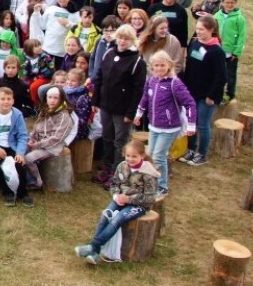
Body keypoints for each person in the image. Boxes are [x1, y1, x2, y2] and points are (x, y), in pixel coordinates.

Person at [74, 139, 158, 264]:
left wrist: (128, 199)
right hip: (121, 200)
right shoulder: (122, 166)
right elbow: (114, 184)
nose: (130, 159)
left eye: (134, 156)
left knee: (117, 220)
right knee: (105, 215)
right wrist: (116, 196)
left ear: (142, 155)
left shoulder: (148, 173)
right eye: (128, 155)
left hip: (140, 205)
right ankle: (95, 253)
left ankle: (93, 247)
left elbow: (150, 198)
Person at [133, 50, 195, 197]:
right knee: (151, 154)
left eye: (162, 65)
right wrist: (139, 114)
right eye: (156, 65)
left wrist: (192, 124)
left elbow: (190, 103)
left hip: (170, 127)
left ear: (169, 65)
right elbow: (145, 99)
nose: (159, 68)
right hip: (154, 125)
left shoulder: (175, 83)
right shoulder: (152, 81)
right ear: (152, 67)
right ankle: (152, 181)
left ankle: (162, 186)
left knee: (159, 156)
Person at [92, 25, 147, 188]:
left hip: (122, 110)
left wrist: (130, 113)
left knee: (120, 141)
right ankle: (107, 167)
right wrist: (96, 100)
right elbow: (99, 78)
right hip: (106, 105)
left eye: (126, 38)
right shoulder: (109, 53)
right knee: (107, 137)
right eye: (120, 37)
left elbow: (138, 90)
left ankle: (119, 173)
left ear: (132, 40)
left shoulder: (137, 61)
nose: (122, 41)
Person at [178, 15, 227, 167]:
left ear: (211, 30)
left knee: (202, 124)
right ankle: (191, 149)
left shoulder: (216, 51)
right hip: (192, 91)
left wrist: (211, 96)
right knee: (191, 121)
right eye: (197, 29)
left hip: (207, 95)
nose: (198, 32)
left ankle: (202, 154)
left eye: (202, 30)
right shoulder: (194, 43)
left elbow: (221, 77)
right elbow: (189, 67)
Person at [24, 86, 75, 191]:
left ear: (60, 99)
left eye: (55, 98)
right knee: (21, 148)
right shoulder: (45, 110)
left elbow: (57, 138)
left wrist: (37, 144)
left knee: (28, 159)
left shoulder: (64, 116)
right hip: (40, 142)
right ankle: (24, 179)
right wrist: (32, 138)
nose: (52, 100)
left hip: (53, 147)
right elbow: (37, 127)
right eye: (50, 97)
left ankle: (37, 183)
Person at [216, 0, 245, 103]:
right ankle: (218, 92)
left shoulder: (239, 19)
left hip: (231, 52)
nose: (229, 5)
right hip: (218, 50)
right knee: (219, 73)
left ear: (236, 3)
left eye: (232, 3)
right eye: (227, 2)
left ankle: (230, 94)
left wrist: (236, 52)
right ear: (222, 3)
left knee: (230, 74)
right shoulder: (217, 16)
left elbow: (242, 36)